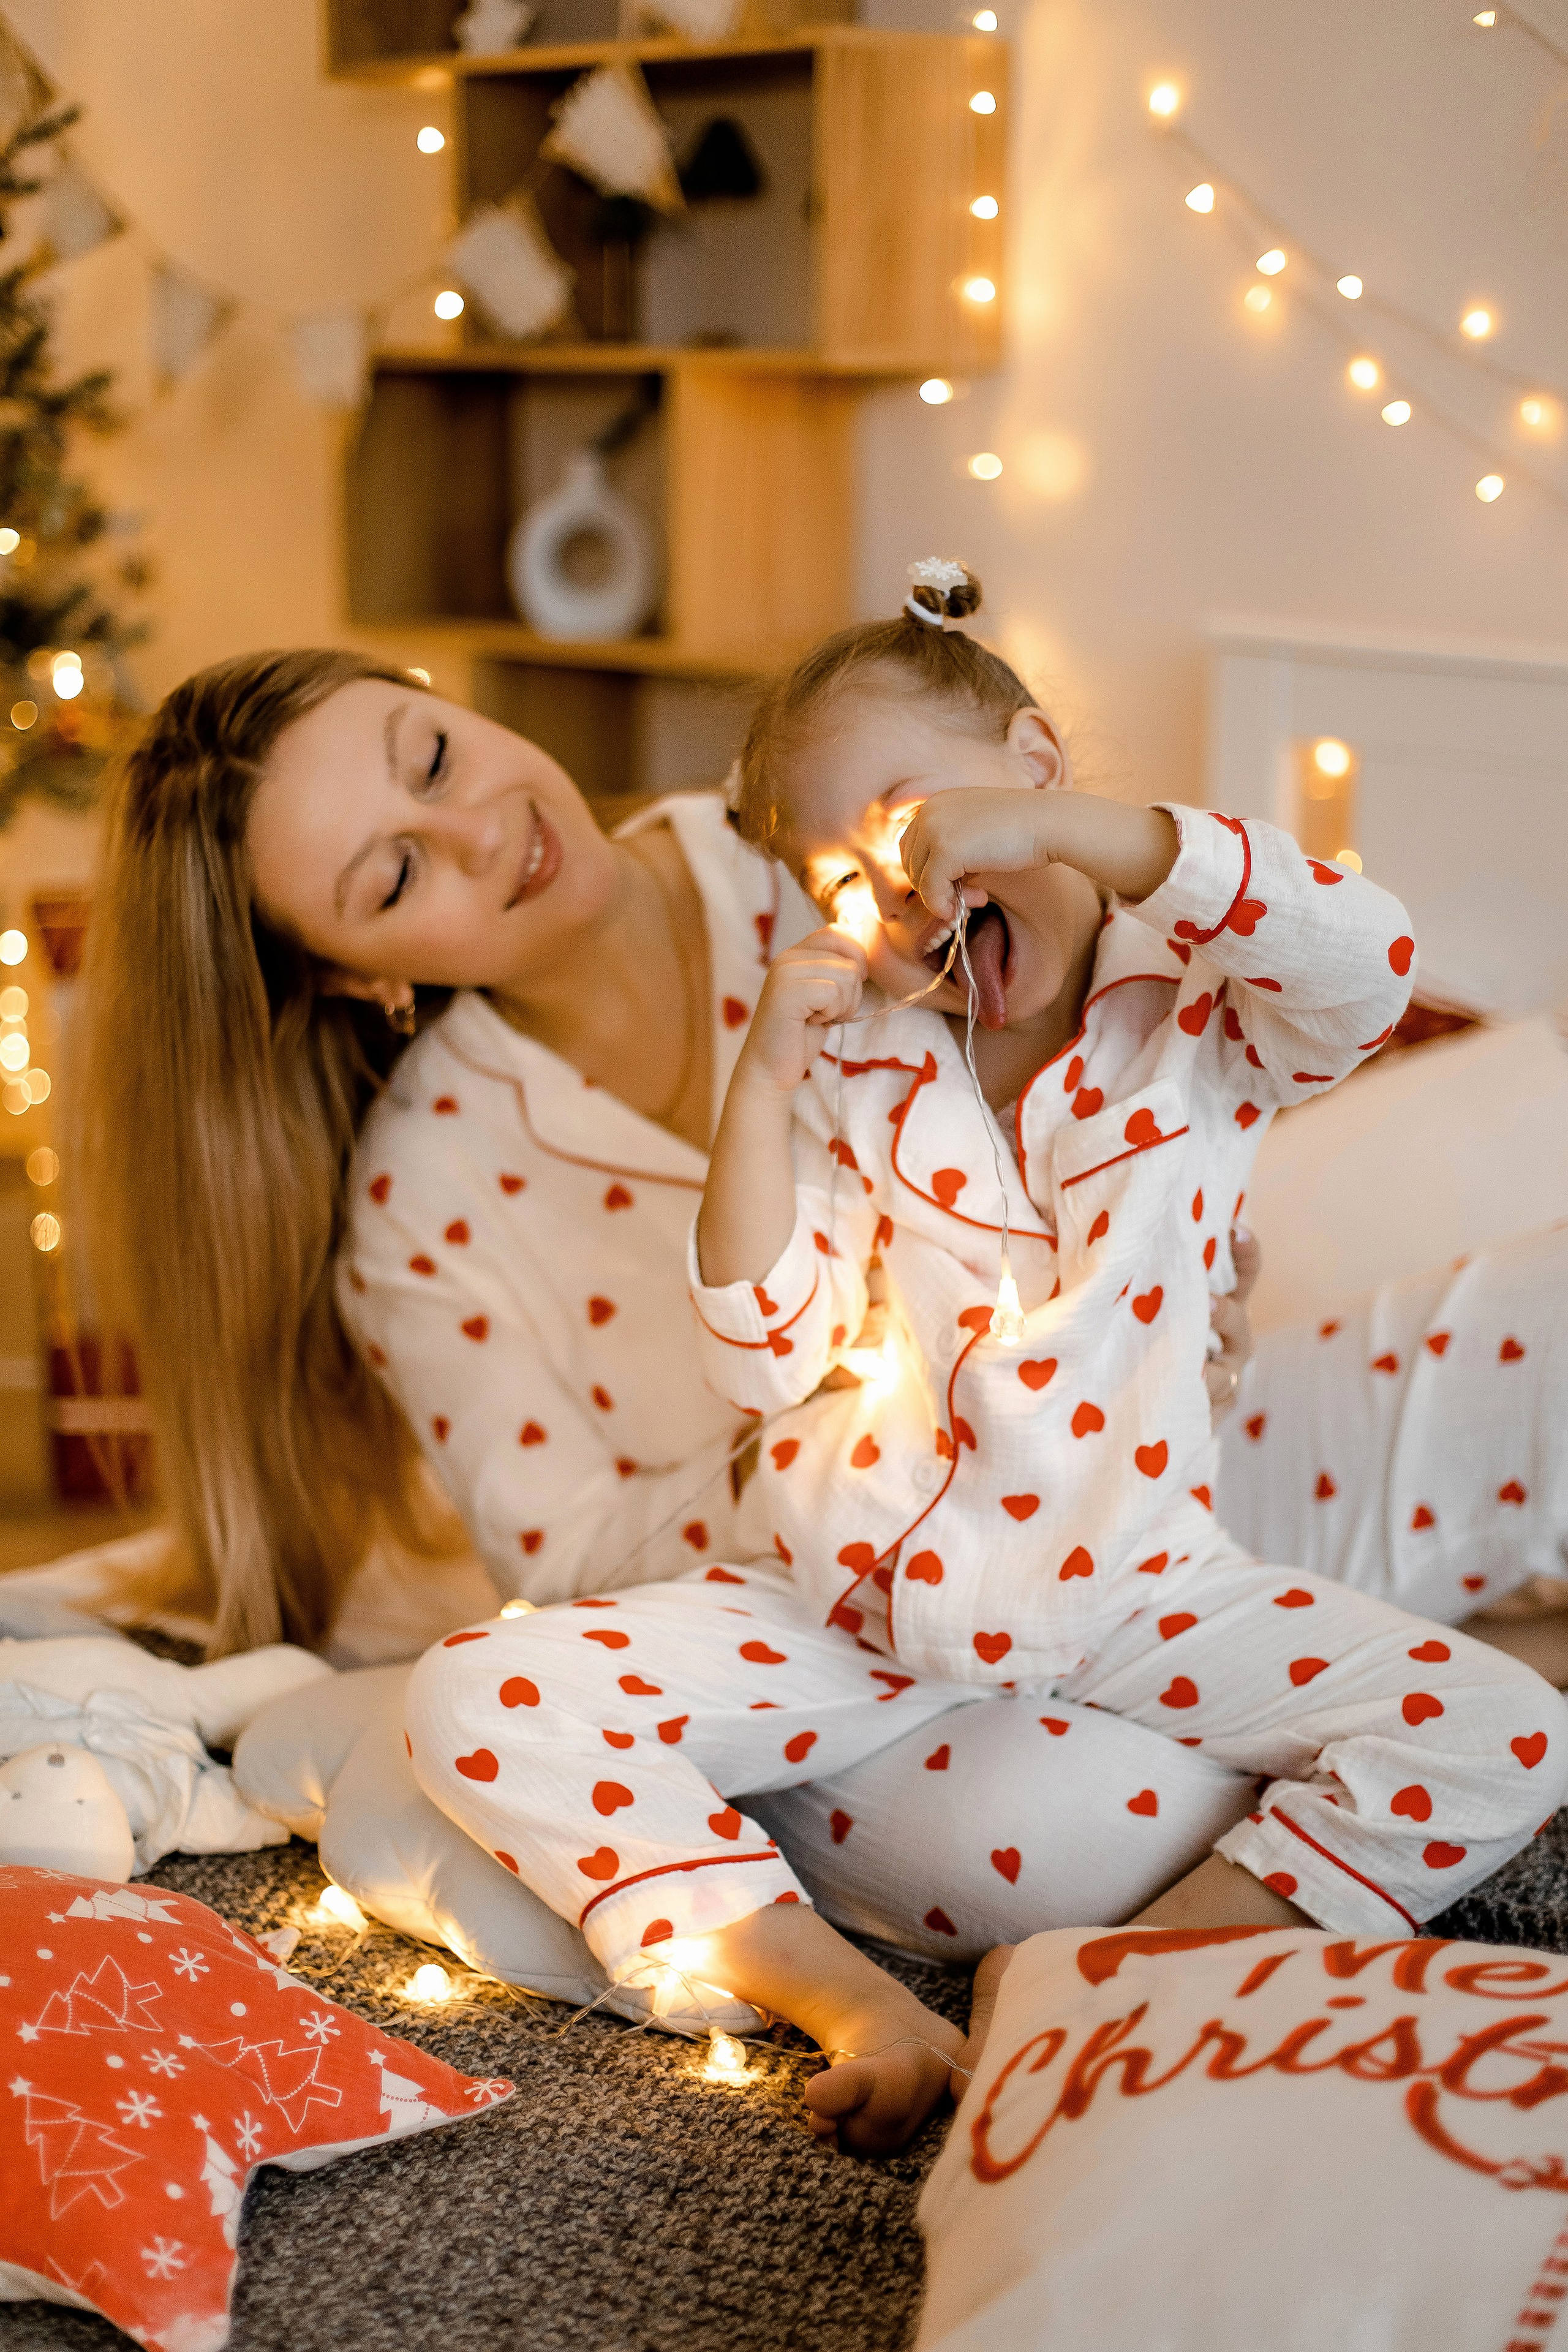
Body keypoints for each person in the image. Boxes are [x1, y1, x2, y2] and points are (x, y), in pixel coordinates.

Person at [405, 563, 1568, 2152]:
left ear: (1032, 767)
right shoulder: (868, 1062)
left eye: (909, 817)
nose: (902, 887)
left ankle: (1116, 1983)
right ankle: (854, 2001)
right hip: (844, 1609)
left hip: (1138, 1588)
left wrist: (1093, 838)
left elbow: (1361, 955)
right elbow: (764, 1357)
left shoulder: (1212, 1014)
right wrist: (764, 1077)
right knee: (478, 1692)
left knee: (1505, 1732)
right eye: (845, 876)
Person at [70, 647, 1260, 1970]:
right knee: (1074, 1843)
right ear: (358, 977)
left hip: (1161, 1474)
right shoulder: (425, 1193)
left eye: (436, 757)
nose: (480, 833)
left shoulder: (807, 842)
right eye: (397, 876)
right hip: (831, 1624)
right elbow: (569, 1560)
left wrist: (1179, 1259)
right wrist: (855, 1453)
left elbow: (1108, 1010)